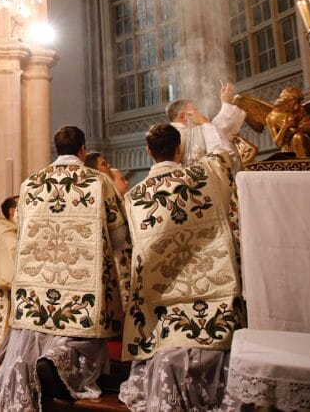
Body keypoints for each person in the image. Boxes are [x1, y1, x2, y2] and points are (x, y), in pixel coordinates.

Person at [0, 126, 130, 411]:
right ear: (82, 149)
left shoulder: (31, 184)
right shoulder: (98, 181)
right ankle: (58, 362)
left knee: (44, 328)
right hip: (82, 279)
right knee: (81, 335)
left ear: (56, 149)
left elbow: (23, 230)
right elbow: (119, 236)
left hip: (40, 279)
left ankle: (45, 365)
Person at [119, 124, 243, 411]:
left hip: (162, 310)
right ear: (181, 149)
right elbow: (224, 152)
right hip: (211, 302)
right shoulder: (205, 175)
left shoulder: (135, 197)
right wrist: (207, 122)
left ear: (147, 152)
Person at [167, 81, 245, 165]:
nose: (199, 113)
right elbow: (217, 131)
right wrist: (226, 103)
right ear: (182, 116)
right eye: (195, 110)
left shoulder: (170, 134)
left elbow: (213, 129)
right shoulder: (185, 134)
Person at [0, 196, 18, 349]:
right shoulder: (8, 232)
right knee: (4, 319)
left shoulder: (11, 229)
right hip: (7, 284)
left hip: (9, 283)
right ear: (12, 212)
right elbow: (13, 255)